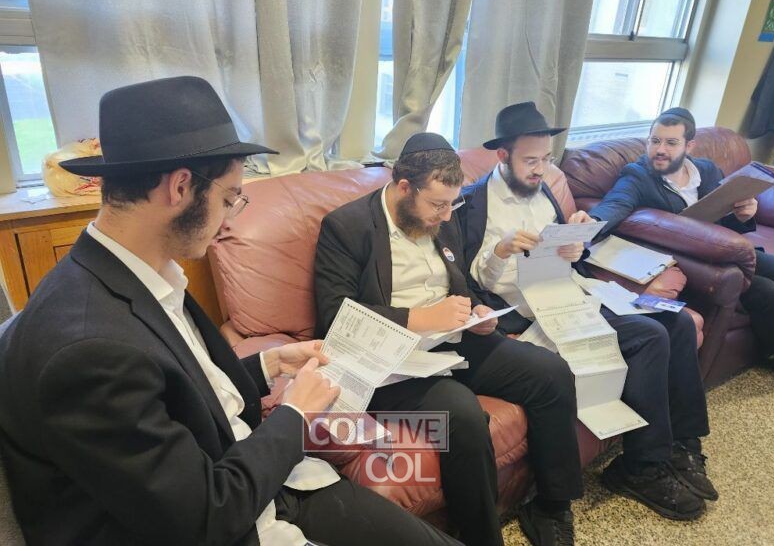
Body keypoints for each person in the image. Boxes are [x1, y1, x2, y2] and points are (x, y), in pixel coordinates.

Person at [0, 76, 461, 546]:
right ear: (180, 187)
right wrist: (296, 414)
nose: (228, 220)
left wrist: (268, 364)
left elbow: (176, 388)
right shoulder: (89, 350)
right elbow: (203, 518)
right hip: (231, 518)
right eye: (228, 199)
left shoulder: (137, 274)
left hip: (260, 479)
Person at [314, 132, 583, 546]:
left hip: (453, 339)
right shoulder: (347, 227)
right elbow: (335, 316)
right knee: (461, 414)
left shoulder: (444, 214)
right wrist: (421, 318)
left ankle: (552, 505)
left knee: (551, 372)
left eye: (450, 205)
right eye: (437, 205)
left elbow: (459, 283)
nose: (445, 216)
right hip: (391, 358)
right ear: (405, 187)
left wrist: (477, 311)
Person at [459, 102, 716, 522]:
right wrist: (500, 251)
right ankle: (641, 466)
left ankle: (682, 444)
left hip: (572, 292)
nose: (541, 170)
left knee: (678, 321)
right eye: (530, 161)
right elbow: (471, 279)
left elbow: (568, 258)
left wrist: (576, 245)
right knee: (651, 336)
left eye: (546, 159)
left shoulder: (544, 191)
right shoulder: (473, 203)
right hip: (528, 309)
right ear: (503, 156)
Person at [590, 107, 774, 388]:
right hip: (696, 265)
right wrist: (590, 223)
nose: (660, 150)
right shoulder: (637, 176)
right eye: (655, 141)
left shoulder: (706, 171)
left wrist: (743, 215)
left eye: (671, 143)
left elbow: (725, 221)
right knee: (768, 293)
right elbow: (615, 204)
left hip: (729, 252)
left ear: (689, 146)